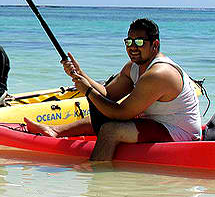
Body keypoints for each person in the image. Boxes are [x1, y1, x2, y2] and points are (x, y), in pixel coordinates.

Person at [25, 18, 201, 161]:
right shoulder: (132, 67)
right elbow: (108, 94)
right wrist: (80, 74)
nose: (132, 47)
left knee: (110, 130)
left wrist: (87, 91)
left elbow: (120, 113)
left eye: (139, 42)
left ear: (155, 45)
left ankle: (98, 177)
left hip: (179, 133)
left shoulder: (159, 73)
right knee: (100, 112)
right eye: (129, 41)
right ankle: (55, 130)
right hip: (155, 122)